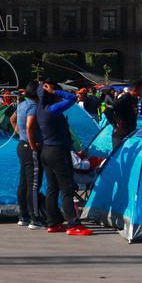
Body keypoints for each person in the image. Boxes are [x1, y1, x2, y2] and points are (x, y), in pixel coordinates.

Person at [36, 80, 92, 236]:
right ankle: (74, 224)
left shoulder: (40, 109)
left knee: (52, 188)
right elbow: (72, 99)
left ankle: (53, 222)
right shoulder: (52, 109)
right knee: (67, 188)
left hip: (46, 151)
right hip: (58, 151)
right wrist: (55, 91)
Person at [9, 80, 45, 229]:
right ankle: (35, 218)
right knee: (34, 184)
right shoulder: (34, 106)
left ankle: (23, 216)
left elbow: (12, 119)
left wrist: (20, 133)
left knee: (24, 182)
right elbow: (30, 125)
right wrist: (32, 144)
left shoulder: (22, 104)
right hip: (31, 147)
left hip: (21, 145)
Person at [107, 78, 142, 150]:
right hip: (120, 135)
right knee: (118, 157)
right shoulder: (124, 99)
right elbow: (107, 111)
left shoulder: (135, 99)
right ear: (135, 89)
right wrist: (115, 125)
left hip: (130, 133)